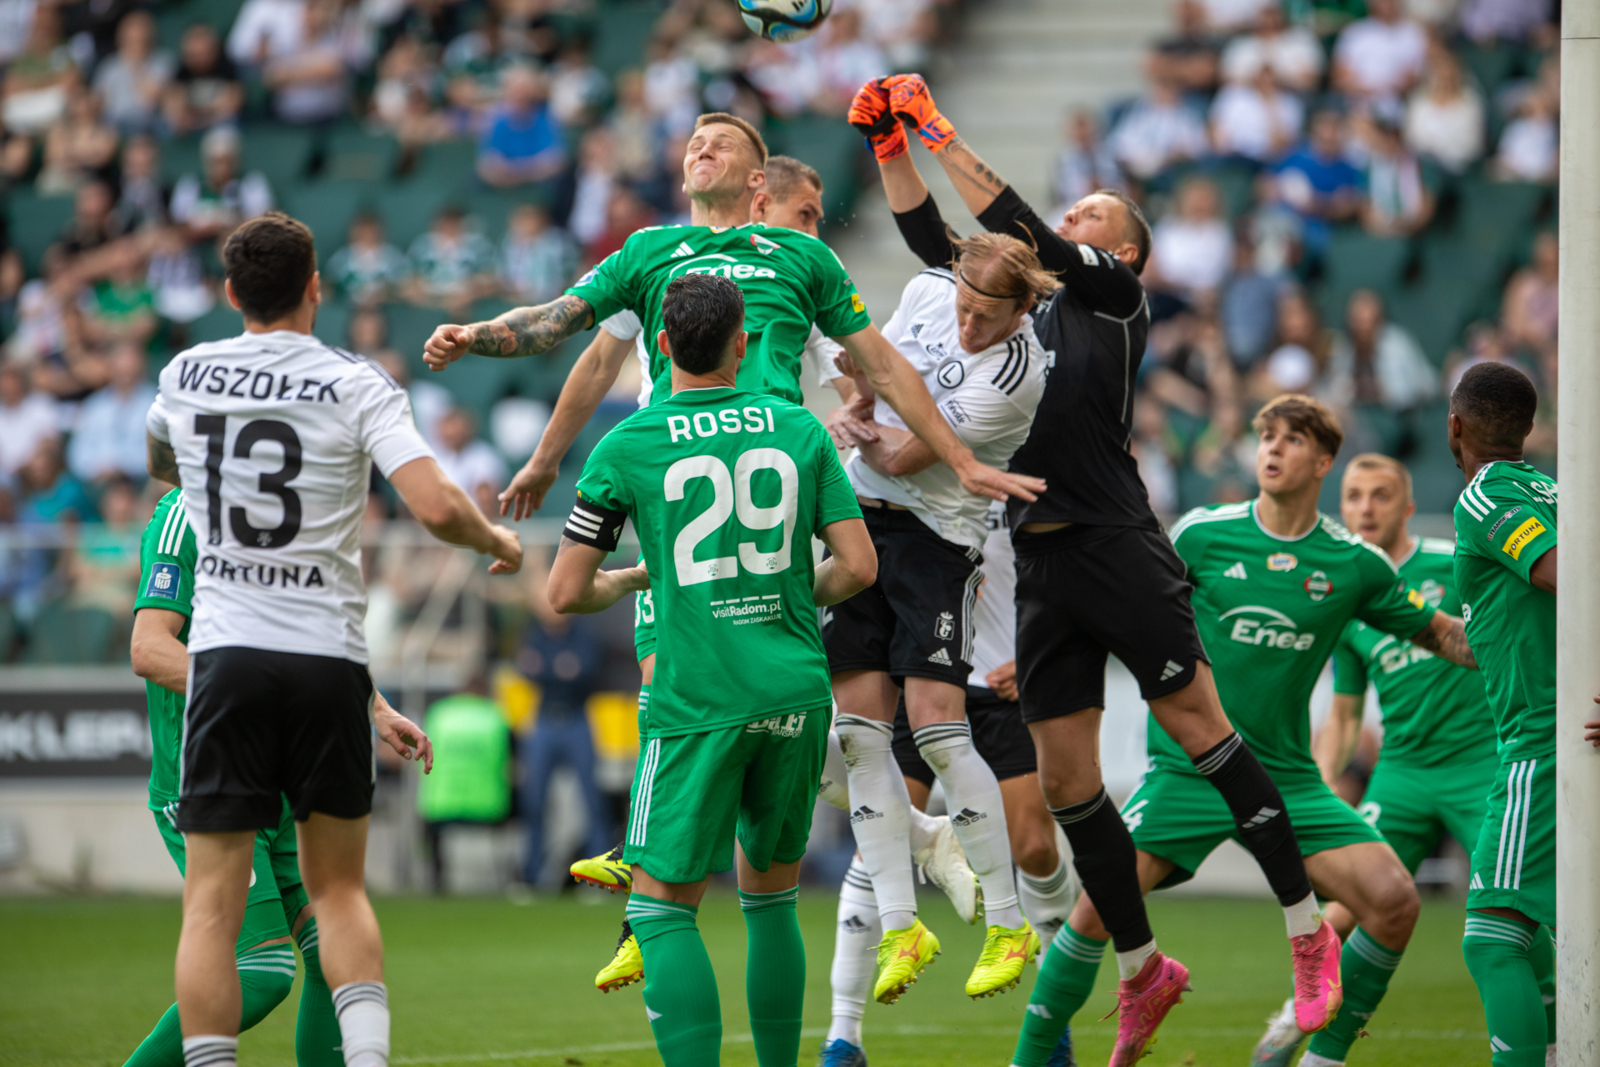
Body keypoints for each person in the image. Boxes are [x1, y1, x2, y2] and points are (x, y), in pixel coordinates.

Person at [855, 74, 1338, 1064]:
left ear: (1117, 248)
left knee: (1202, 728)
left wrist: (938, 128)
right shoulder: (1014, 298)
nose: (1067, 217)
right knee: (1071, 784)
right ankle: (1143, 969)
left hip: (1115, 542)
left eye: (1089, 213)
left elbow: (1012, 216)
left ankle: (1306, 931)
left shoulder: (1114, 297)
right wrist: (887, 144)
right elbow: (931, 242)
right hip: (1038, 560)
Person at [500, 149, 980, 991]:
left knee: (723, 704)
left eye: (718, 142)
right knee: (695, 700)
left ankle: (656, 886)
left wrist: (949, 453)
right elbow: (591, 353)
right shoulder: (659, 258)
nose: (699, 152)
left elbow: (879, 363)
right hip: (703, 491)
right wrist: (543, 455)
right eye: (694, 143)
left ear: (758, 182)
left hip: (745, 488)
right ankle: (672, 876)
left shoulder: (793, 268)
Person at [144, 211, 522, 1067]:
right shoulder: (357, 381)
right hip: (324, 659)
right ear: (316, 287)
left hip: (227, 658)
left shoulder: (184, 372)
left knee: (211, 905)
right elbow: (433, 505)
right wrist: (494, 541)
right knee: (339, 889)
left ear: (232, 292)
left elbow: (161, 459)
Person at [1067, 396, 1476, 1067]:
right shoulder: (1201, 535)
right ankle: (1051, 1046)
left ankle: (1321, 1052)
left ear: (1321, 461)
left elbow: (1447, 637)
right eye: (1264, 436)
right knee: (1090, 911)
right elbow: (1344, 708)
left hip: (1308, 776)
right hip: (1188, 772)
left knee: (1442, 908)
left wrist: (1538, 625)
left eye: (1291, 438)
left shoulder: (1366, 569)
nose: (1272, 448)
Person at [544, 272, 878, 1067]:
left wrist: (633, 576)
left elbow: (564, 591)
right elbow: (858, 567)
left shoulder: (627, 444)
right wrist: (794, 589)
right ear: (744, 344)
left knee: (661, 910)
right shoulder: (798, 427)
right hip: (794, 690)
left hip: (695, 697)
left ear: (660, 347)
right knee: (772, 900)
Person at [1250, 452, 1556, 1065]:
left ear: (1408, 506)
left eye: (1381, 495)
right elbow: (1342, 714)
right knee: (1351, 909)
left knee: (1518, 914)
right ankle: (1313, 1041)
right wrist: (1325, 785)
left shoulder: (1458, 558)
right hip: (1404, 772)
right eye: (1356, 495)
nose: (1366, 507)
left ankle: (1550, 1041)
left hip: (1485, 764)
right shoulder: (1351, 596)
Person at [120, 485, 434, 1067]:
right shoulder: (184, 514)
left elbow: (320, 642)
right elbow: (149, 648)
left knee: (333, 955)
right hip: (208, 779)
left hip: (289, 777)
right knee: (263, 973)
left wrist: (378, 709)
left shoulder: (297, 515)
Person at [823, 230, 1055, 1004]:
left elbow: (903, 456)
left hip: (934, 537)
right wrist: (856, 397)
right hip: (858, 520)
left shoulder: (1020, 373)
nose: (968, 329)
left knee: (934, 725)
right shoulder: (927, 290)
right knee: (857, 737)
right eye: (963, 307)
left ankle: (1010, 922)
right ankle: (901, 922)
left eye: (987, 317)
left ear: (1023, 309)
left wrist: (868, 424)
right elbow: (872, 372)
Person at [821, 501, 1080, 1067]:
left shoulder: (1004, 468)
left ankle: (1050, 1017)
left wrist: (1043, 647)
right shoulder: (889, 480)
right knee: (877, 841)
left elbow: (1072, 569)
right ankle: (844, 1037)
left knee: (1034, 846)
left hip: (1001, 680)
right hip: (912, 675)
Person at [1447, 362, 1558, 1067]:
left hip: (1542, 737)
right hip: (1555, 726)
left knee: (1492, 935)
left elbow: (1560, 571)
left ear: (1455, 425)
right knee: (1533, 929)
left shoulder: (1487, 495)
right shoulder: (1554, 488)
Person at [517, 569, 611, 888]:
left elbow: (586, 671)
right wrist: (560, 671)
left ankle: (600, 875)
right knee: (534, 801)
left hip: (576, 718)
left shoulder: (582, 632)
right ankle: (532, 877)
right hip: (544, 719)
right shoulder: (535, 634)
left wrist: (551, 671)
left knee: (592, 799)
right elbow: (528, 670)